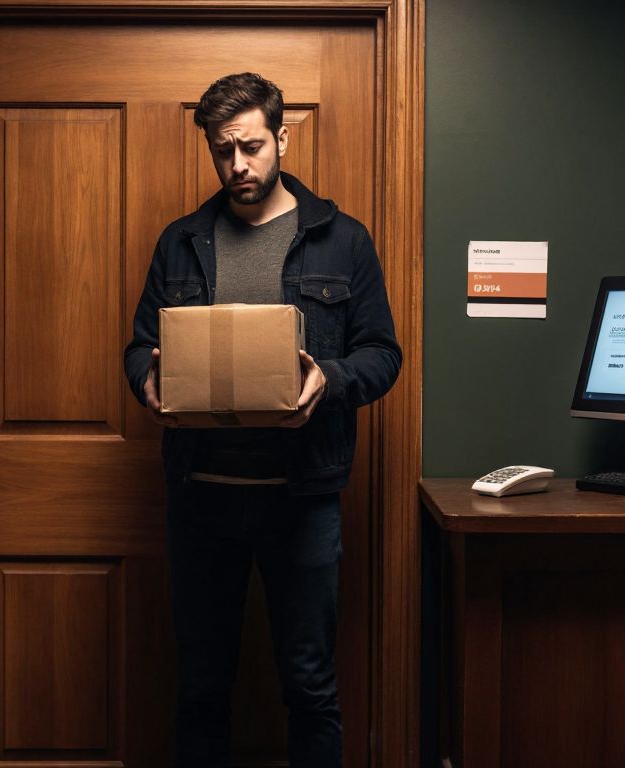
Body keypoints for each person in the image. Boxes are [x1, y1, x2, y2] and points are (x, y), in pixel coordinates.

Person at [123, 72, 401, 768]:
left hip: (301, 501)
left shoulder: (345, 241)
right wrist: (146, 380)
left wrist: (328, 379)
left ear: (282, 136)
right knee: (201, 691)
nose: (237, 166)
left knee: (310, 687)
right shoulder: (181, 242)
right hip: (202, 499)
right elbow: (136, 345)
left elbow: (383, 356)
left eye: (250, 147)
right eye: (223, 152)